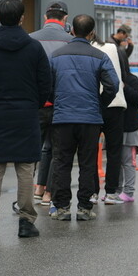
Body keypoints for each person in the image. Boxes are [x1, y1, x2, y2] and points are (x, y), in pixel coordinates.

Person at [0, 0, 52, 239]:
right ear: (22, 18)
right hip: (26, 115)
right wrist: (32, 104)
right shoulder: (34, 47)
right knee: (25, 167)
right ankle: (26, 222)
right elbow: (45, 82)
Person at [48, 14, 118, 221]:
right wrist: (100, 103)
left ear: (71, 31)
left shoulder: (56, 55)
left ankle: (61, 208)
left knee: (61, 162)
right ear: (91, 33)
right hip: (90, 118)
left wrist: (57, 100)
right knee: (87, 163)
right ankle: (84, 208)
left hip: (62, 117)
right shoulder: (100, 56)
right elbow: (113, 85)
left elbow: (46, 86)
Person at [29, 0, 73, 207]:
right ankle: (48, 194)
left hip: (36, 105)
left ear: (46, 18)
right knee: (57, 150)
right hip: (61, 105)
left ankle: (31, 193)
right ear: (65, 20)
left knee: (32, 151)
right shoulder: (70, 42)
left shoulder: (30, 40)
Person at [92, 30, 128, 204]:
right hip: (115, 103)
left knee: (90, 150)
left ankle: (92, 192)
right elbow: (121, 74)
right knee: (114, 151)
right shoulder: (112, 48)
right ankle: (111, 192)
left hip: (93, 104)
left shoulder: (85, 48)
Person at [120, 71, 138, 201]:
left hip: (129, 127)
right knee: (116, 161)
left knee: (128, 162)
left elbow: (137, 98)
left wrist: (125, 87)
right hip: (114, 127)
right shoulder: (108, 76)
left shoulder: (132, 79)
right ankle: (115, 190)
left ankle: (128, 192)